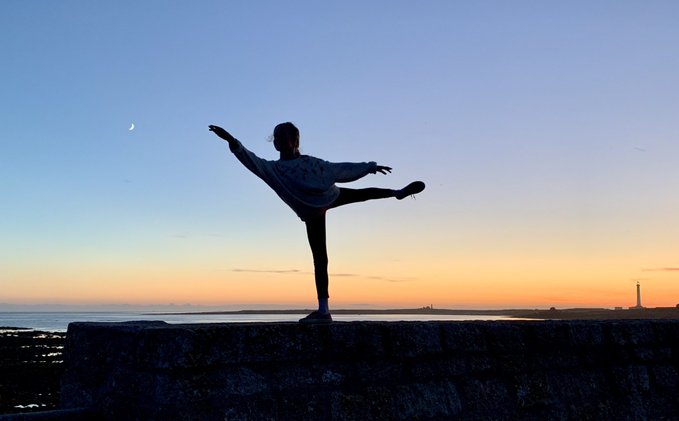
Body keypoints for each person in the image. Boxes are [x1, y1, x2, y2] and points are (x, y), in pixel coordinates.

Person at [209, 122, 425, 323]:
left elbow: (338, 169)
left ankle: (397, 192)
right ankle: (324, 311)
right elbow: (251, 159)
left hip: (324, 200)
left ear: (295, 141)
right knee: (321, 257)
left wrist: (369, 167)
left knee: (360, 198)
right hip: (316, 208)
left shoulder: (310, 164)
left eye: (282, 137)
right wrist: (232, 141)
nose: (277, 141)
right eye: (275, 138)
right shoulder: (273, 169)